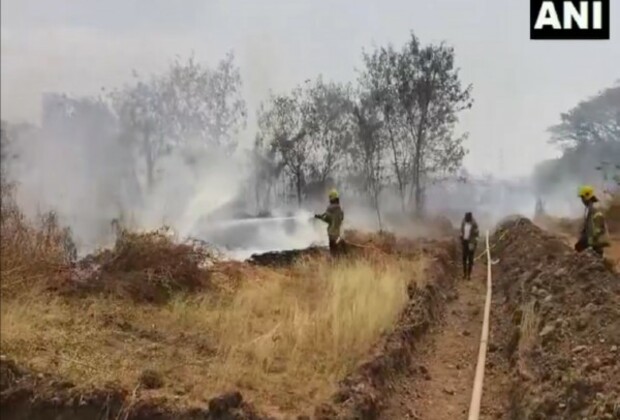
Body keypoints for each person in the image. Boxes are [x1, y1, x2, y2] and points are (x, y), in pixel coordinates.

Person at [575, 185, 610, 256]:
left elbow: (597, 229)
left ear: (587, 196)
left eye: (583, 197)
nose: (582, 200)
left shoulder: (596, 209)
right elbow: (587, 228)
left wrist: (589, 243)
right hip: (593, 244)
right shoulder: (589, 209)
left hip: (596, 245)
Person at [315, 189, 345, 256]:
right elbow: (341, 218)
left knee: (333, 250)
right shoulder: (340, 209)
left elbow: (326, 219)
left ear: (331, 198)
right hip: (337, 233)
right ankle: (338, 262)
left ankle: (333, 263)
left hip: (331, 233)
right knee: (336, 250)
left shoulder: (330, 208)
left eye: (330, 197)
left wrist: (318, 217)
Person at [460, 212, 479, 280]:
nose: (466, 219)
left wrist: (473, 243)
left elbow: (476, 235)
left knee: (470, 259)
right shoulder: (463, 222)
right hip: (465, 242)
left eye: (467, 218)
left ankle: (469, 275)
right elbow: (461, 230)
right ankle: (464, 274)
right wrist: (461, 236)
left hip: (471, 242)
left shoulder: (474, 224)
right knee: (464, 258)